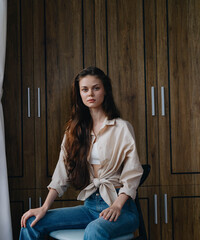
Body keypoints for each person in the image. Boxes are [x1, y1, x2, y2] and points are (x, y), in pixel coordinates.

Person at [20, 66, 143, 240]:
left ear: (105, 90)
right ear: (79, 94)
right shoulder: (74, 130)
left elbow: (133, 174)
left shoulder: (122, 128)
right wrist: (44, 207)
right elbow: (61, 175)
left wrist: (116, 206)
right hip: (90, 206)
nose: (90, 94)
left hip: (122, 209)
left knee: (94, 230)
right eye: (84, 89)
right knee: (32, 222)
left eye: (96, 88)